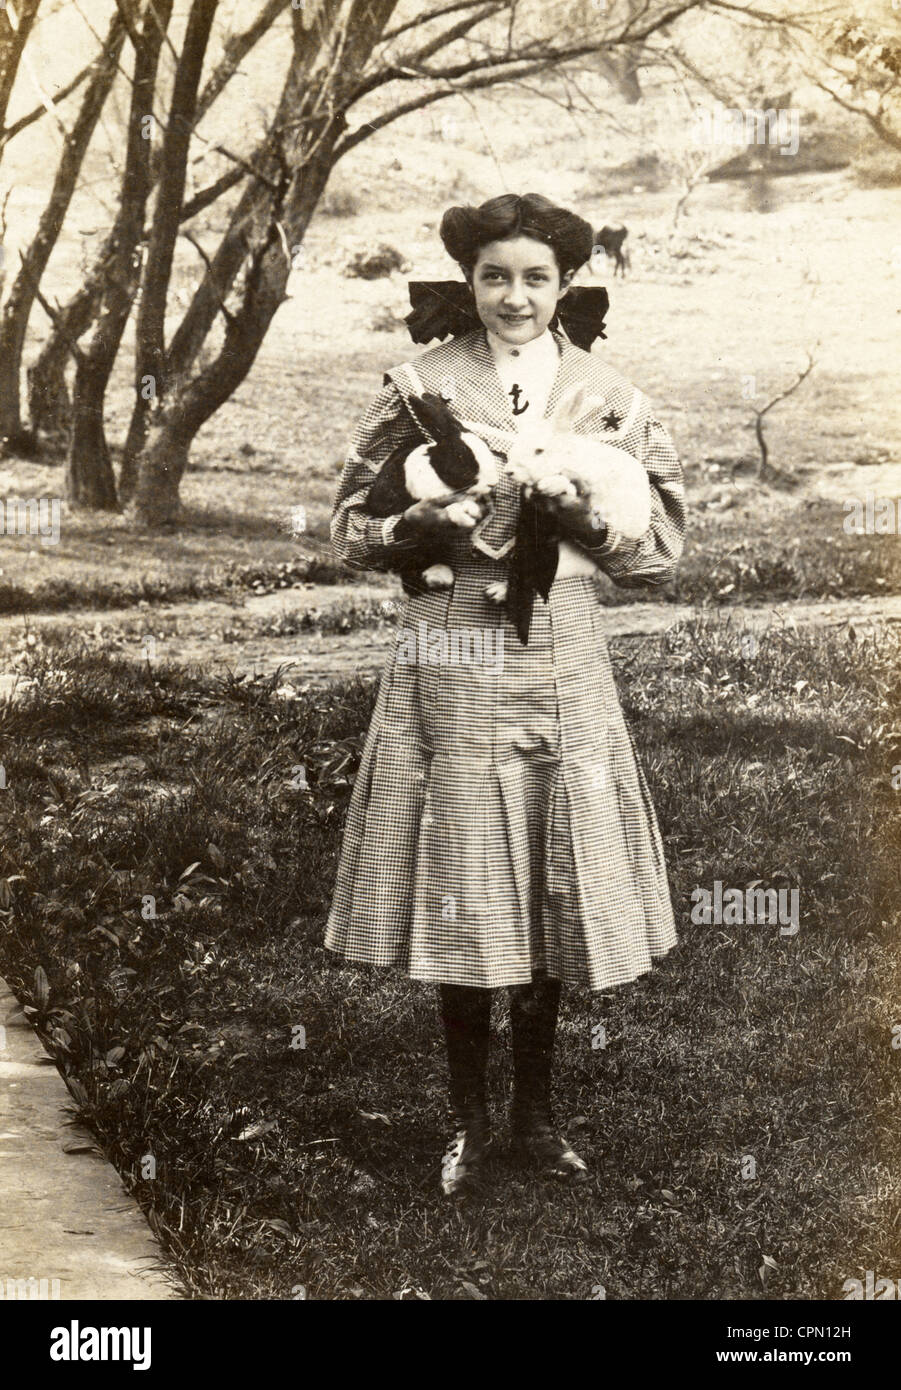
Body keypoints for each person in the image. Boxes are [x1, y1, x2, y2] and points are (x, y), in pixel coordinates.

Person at [325, 192, 686, 1197]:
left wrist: (586, 512)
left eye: (535, 277)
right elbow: (348, 524)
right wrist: (428, 526)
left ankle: (535, 1115)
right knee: (469, 868)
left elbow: (656, 552)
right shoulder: (420, 384)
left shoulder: (608, 397)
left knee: (551, 870)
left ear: (566, 284)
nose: (514, 296)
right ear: (468, 283)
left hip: (563, 646)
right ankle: (467, 1123)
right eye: (494, 276)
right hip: (456, 646)